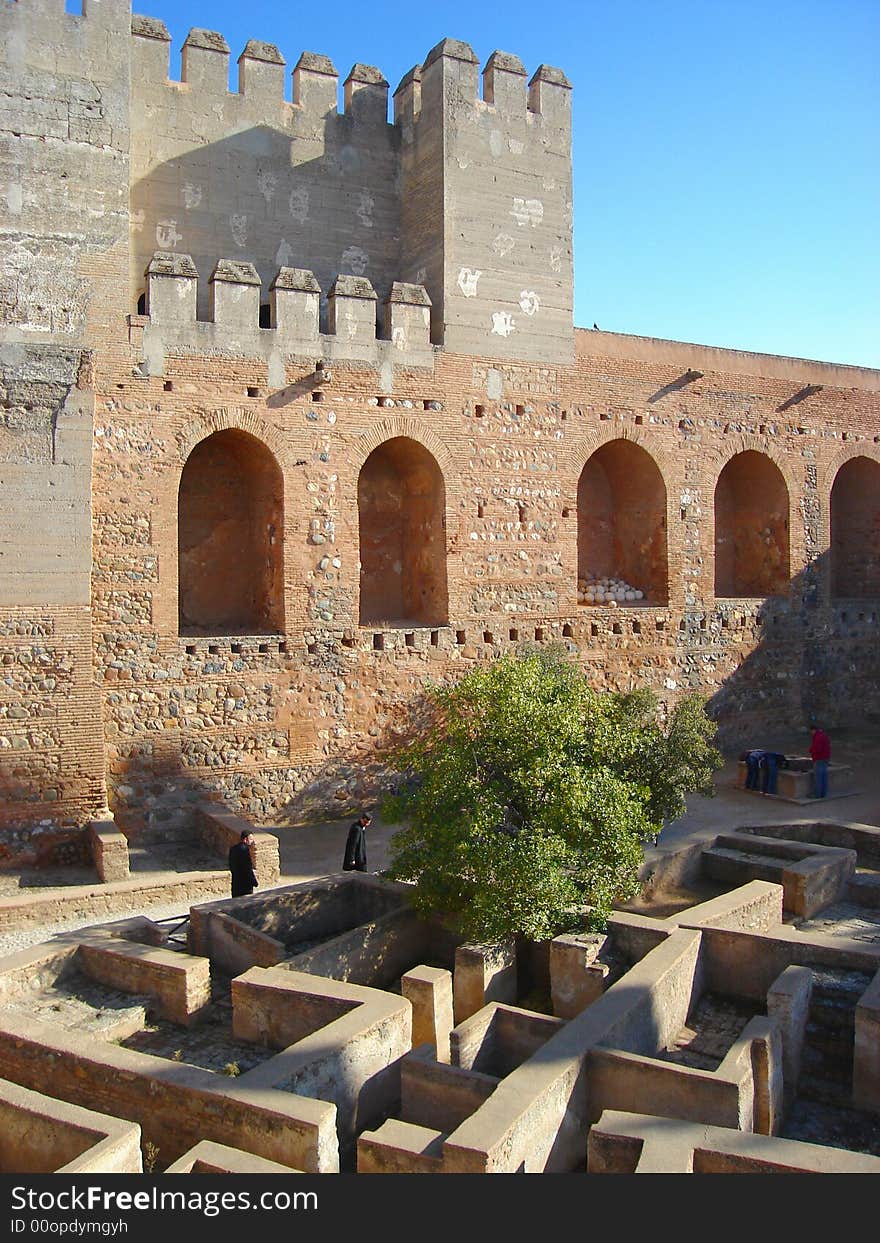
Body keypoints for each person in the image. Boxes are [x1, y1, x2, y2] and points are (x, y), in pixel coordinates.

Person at [228, 829, 258, 897]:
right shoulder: (245, 850)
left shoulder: (233, 849)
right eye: (250, 839)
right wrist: (254, 881)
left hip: (236, 883)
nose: (252, 841)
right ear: (245, 839)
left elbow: (231, 865)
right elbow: (247, 868)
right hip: (245, 884)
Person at [810, 725, 831, 799]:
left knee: (818, 778)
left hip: (819, 759)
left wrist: (811, 751)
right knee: (824, 776)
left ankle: (817, 794)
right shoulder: (824, 735)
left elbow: (817, 749)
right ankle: (823, 793)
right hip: (826, 758)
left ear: (813, 730)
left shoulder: (817, 737)